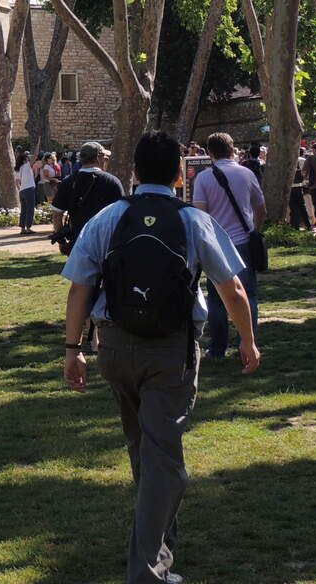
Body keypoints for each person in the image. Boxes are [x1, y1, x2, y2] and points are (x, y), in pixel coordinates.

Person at [61, 131, 259, 584]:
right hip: (171, 350)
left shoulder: (109, 218)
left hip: (114, 346)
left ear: (134, 170)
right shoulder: (193, 220)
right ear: (178, 175)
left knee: (144, 450)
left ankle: (161, 549)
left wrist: (72, 350)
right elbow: (232, 288)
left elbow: (79, 287)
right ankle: (148, 571)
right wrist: (247, 339)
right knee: (164, 461)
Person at [191, 132, 265, 361]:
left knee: (216, 298)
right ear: (233, 150)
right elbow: (261, 207)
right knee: (248, 294)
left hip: (217, 244)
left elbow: (200, 214)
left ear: (209, 153)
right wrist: (255, 230)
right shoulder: (247, 173)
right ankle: (248, 343)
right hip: (243, 241)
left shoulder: (203, 178)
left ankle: (218, 348)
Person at [50, 141, 125, 250]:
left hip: (77, 242)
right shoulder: (112, 182)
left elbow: (57, 215)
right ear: (99, 157)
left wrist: (62, 242)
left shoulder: (68, 182)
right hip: (105, 243)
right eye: (105, 158)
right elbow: (122, 215)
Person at [17, 151, 38, 234]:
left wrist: (20, 189)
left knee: (23, 210)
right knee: (30, 209)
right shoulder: (27, 165)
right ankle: (28, 227)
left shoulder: (18, 168)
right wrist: (38, 144)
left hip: (22, 190)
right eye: (27, 158)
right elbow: (35, 156)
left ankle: (22, 228)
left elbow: (17, 181)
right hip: (29, 189)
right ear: (24, 160)